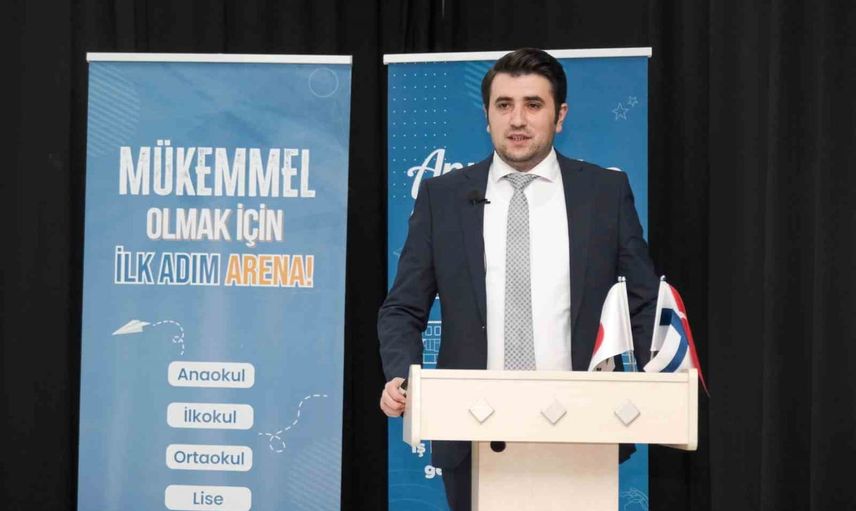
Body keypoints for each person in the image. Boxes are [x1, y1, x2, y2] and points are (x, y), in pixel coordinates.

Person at [378, 48, 659, 511]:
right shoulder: (442, 197)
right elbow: (403, 307)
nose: (517, 120)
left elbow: (644, 301)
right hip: (471, 429)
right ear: (487, 116)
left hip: (584, 426)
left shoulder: (604, 193)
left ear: (560, 115)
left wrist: (661, 378)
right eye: (504, 105)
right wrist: (401, 375)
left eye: (533, 104)